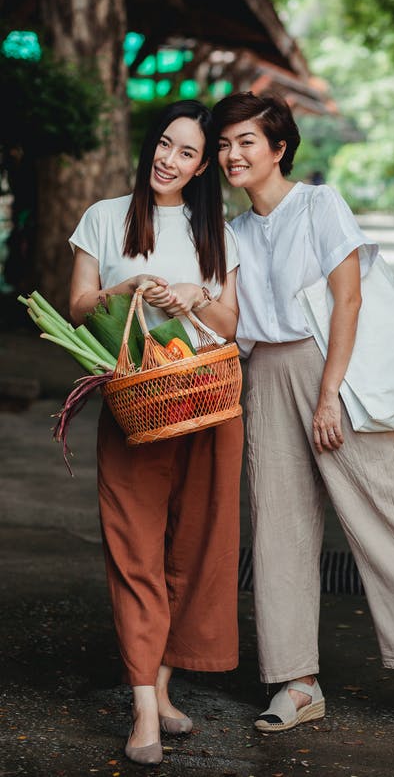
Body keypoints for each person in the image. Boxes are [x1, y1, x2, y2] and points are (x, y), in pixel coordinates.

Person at [212, 92, 394, 742]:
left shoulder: (319, 204)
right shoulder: (232, 233)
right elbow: (230, 321)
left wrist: (329, 393)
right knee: (279, 532)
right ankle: (297, 682)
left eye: (246, 142)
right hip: (263, 375)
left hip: (331, 368)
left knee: (385, 517)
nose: (232, 155)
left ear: (279, 147)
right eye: (225, 144)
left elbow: (349, 299)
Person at [69, 100, 243, 766]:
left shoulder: (217, 230)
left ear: (202, 168)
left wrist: (195, 297)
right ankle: (143, 707)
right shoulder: (105, 217)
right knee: (133, 549)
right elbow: (80, 305)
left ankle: (165, 688)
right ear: (152, 145)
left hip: (207, 404)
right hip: (134, 408)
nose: (169, 160)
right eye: (164, 145)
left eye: (187, 153)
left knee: (197, 551)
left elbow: (229, 324)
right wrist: (129, 289)